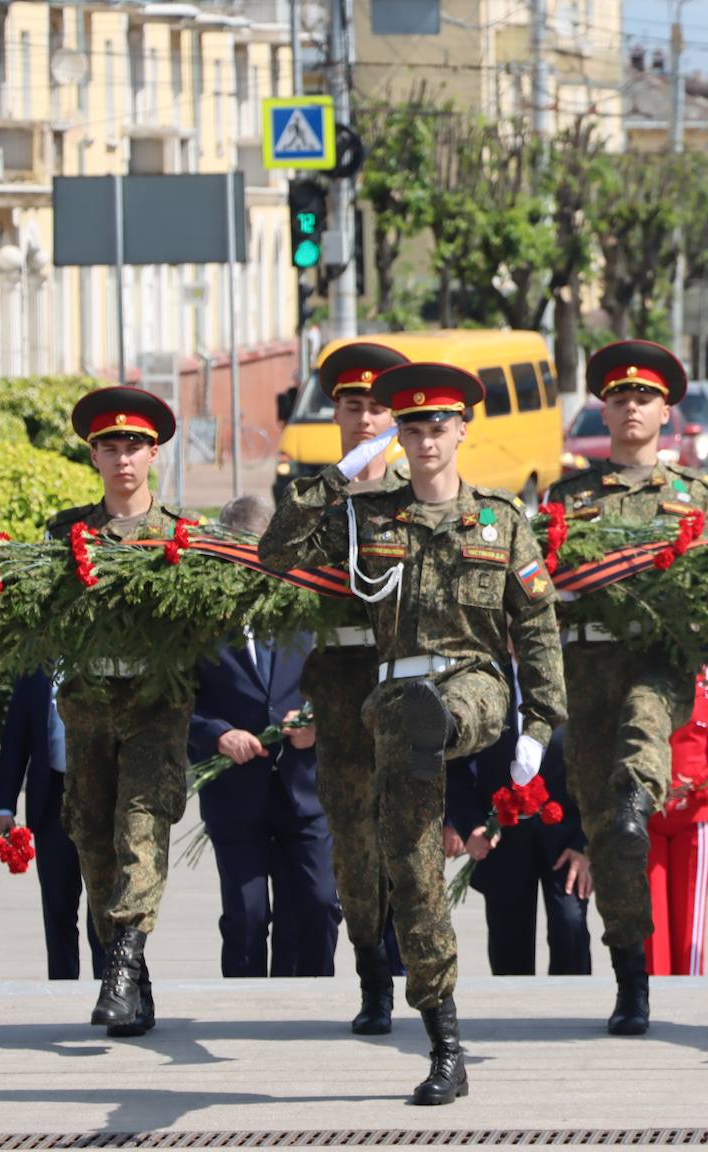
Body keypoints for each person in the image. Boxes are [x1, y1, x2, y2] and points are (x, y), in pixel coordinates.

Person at [260, 361, 568, 1106]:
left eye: (438, 425)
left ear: (462, 430)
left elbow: (537, 624)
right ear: (398, 435)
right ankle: (445, 1046)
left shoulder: (500, 518)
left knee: (455, 704)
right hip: (397, 698)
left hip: (475, 681)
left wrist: (539, 723)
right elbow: (276, 551)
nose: (426, 438)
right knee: (414, 874)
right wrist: (337, 477)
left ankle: (446, 723)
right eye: (413, 426)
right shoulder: (369, 517)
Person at [543, 339, 708, 1035]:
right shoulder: (568, 497)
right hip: (588, 668)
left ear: (666, 411)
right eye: (619, 397)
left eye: (644, 397)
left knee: (645, 728)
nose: (631, 407)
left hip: (657, 657)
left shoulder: (694, 496)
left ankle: (636, 795)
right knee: (609, 834)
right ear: (605, 410)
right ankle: (631, 978)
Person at [47, 385, 195, 1037]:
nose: (122, 458)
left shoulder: (182, 535)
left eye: (134, 445)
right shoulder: (66, 534)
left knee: (140, 831)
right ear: (94, 456)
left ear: (153, 453)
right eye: (110, 446)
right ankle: (136, 984)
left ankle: (121, 967)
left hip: (154, 708)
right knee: (94, 844)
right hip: (88, 709)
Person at [295, 341, 411, 1034]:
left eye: (376, 406)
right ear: (335, 413)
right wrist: (335, 482)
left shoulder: (416, 493)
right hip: (340, 690)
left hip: (406, 685)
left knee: (408, 839)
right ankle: (372, 975)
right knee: (354, 843)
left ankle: (417, 975)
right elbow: (275, 562)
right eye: (351, 405)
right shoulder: (313, 498)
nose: (364, 418)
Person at [190, 495, 340, 978]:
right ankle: (243, 1009)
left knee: (318, 904)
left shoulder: (309, 606)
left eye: (258, 550)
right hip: (237, 795)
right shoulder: (199, 618)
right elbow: (173, 703)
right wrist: (217, 735)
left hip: (303, 790)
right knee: (248, 918)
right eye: (237, 552)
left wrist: (317, 722)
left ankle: (312, 1006)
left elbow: (340, 684)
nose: (250, 564)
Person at [446, 709, 593, 976]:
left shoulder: (573, 688)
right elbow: (455, 767)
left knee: (570, 925)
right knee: (509, 948)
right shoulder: (488, 690)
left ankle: (571, 1003)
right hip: (502, 843)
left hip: (567, 843)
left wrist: (587, 844)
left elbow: (599, 767)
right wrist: (470, 826)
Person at [0, 669, 105, 981]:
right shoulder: (37, 666)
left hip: (102, 794)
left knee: (104, 905)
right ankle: (62, 987)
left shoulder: (108, 654)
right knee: (58, 905)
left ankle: (109, 986)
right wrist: (4, 805)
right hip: (52, 795)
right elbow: (17, 733)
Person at [645, 670, 708, 976]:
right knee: (652, 918)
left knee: (689, 922)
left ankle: (688, 993)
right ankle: (652, 990)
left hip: (696, 817)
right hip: (650, 815)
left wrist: (699, 784)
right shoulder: (647, 676)